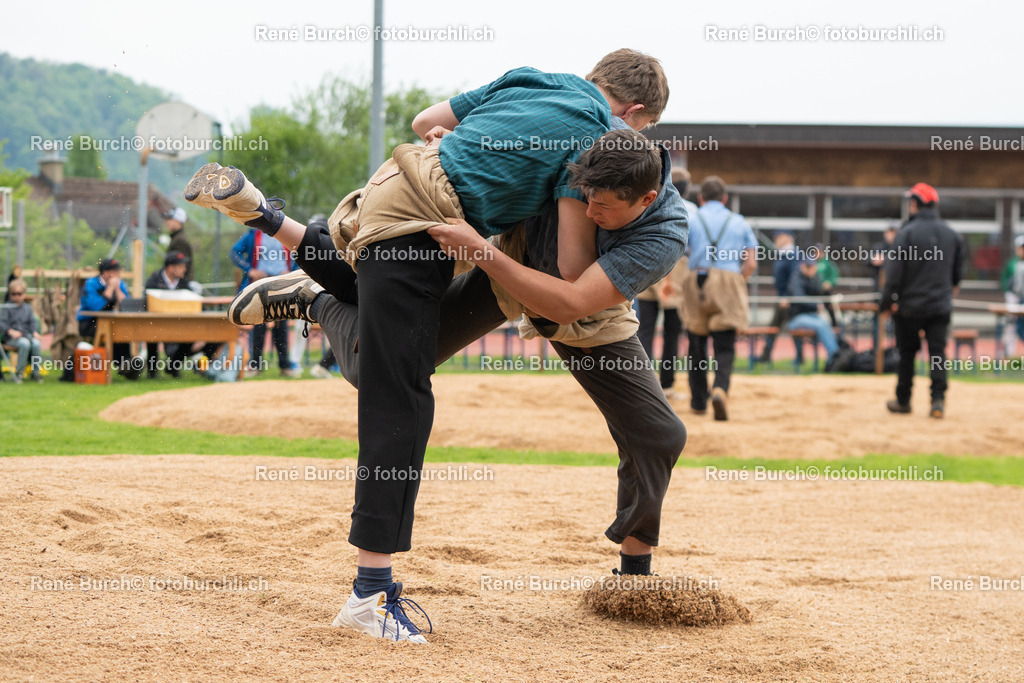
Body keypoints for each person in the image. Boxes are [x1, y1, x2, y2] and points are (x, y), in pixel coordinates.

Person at [186, 51, 677, 644]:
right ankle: (370, 593)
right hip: (471, 250)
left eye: (604, 203)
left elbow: (571, 295)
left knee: (658, 432)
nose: (591, 203)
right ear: (637, 113)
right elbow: (559, 255)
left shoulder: (555, 106)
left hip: (441, 222)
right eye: (586, 194)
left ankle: (633, 580)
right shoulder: (592, 141)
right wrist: (489, 230)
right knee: (395, 387)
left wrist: (479, 161)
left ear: (646, 197)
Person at [880, 183, 965, 418]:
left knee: (907, 355)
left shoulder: (906, 233)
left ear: (915, 203)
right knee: (938, 354)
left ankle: (903, 400)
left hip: (909, 308)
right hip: (940, 306)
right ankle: (937, 401)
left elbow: (893, 275)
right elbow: (957, 275)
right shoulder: (952, 235)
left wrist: (886, 304)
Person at [681, 176, 758, 421]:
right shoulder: (739, 222)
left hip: (697, 278)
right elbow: (751, 262)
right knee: (724, 345)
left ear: (700, 198)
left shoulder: (691, 219)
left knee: (696, 345)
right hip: (729, 278)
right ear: (725, 198)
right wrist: (738, 281)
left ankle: (697, 402)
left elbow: (680, 253)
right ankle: (720, 389)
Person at [636, 167, 696, 398]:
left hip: (648, 262)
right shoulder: (691, 210)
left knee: (645, 330)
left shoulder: (649, 203)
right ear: (688, 189)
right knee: (672, 331)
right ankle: (667, 385)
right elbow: (696, 247)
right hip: (676, 265)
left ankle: (642, 385)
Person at [230, 228, 301, 378]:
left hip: (281, 283)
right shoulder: (253, 234)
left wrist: (291, 271)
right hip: (260, 283)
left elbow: (300, 253)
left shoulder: (285, 231)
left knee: (281, 324)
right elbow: (234, 253)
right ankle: (255, 365)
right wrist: (250, 270)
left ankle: (284, 365)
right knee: (259, 324)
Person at [77, 258, 140, 380]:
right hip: (89, 323)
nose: (117, 275)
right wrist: (110, 289)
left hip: (110, 323)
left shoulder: (120, 284)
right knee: (112, 333)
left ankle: (127, 363)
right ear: (105, 273)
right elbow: (97, 307)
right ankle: (124, 364)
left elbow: (126, 305)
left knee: (122, 331)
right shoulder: (91, 284)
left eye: (117, 272)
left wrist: (117, 289)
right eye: (114, 271)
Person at [143, 251, 193, 378]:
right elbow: (147, 302)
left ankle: (173, 366)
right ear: (171, 268)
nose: (184, 269)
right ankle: (152, 370)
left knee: (191, 335)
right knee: (151, 334)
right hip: (156, 322)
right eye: (181, 266)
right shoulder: (154, 280)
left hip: (179, 322)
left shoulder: (183, 283)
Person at [783, 256, 841, 365]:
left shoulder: (815, 278)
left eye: (812, 266)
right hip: (796, 317)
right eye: (808, 266)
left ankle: (835, 354)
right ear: (802, 266)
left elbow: (821, 294)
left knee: (825, 323)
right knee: (820, 324)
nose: (810, 269)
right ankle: (834, 354)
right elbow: (799, 298)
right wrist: (815, 305)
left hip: (811, 315)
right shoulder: (796, 279)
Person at [757, 230, 799, 364]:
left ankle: (800, 358)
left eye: (779, 238)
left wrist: (787, 297)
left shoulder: (792, 255)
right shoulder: (782, 255)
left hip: (788, 300)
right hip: (782, 298)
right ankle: (765, 356)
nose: (776, 240)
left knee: (793, 328)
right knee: (775, 327)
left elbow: (794, 278)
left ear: (787, 238)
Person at [1, 278, 43, 383]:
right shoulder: (6, 307)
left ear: (24, 294)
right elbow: (2, 323)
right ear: (10, 294)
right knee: (24, 343)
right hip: (10, 338)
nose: (16, 297)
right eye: (13, 294)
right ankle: (19, 373)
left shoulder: (27, 308)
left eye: (19, 294)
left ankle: (35, 373)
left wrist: (35, 332)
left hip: (26, 335)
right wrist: (10, 331)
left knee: (36, 343)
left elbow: (32, 322)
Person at [999, 235, 1024, 355]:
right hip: (1014, 298)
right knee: (1010, 326)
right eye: (1021, 248)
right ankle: (1009, 354)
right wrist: (1009, 293)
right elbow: (1005, 280)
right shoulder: (1012, 264)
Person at [163, 207, 195, 281]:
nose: (167, 222)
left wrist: (182, 284)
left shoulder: (180, 240)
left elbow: (182, 266)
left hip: (179, 284)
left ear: (178, 221)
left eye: (169, 219)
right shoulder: (177, 238)